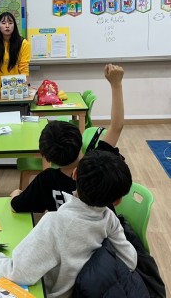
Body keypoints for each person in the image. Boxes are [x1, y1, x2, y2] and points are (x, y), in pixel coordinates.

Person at [0, 149, 137, 298]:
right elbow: (129, 261)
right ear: (117, 201)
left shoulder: (55, 223)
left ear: (74, 174)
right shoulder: (109, 219)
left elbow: (17, 273)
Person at [10, 63, 125, 214]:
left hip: (67, 230)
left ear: (47, 157)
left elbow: (17, 206)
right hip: (103, 228)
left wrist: (16, 194)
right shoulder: (96, 166)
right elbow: (116, 127)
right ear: (80, 141)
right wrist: (116, 84)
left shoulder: (46, 180)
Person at [0, 12, 31, 93]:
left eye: (10, 23)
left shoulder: (23, 43)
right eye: (3, 23)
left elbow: (24, 68)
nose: (7, 26)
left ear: (14, 26)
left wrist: (26, 89)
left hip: (18, 91)